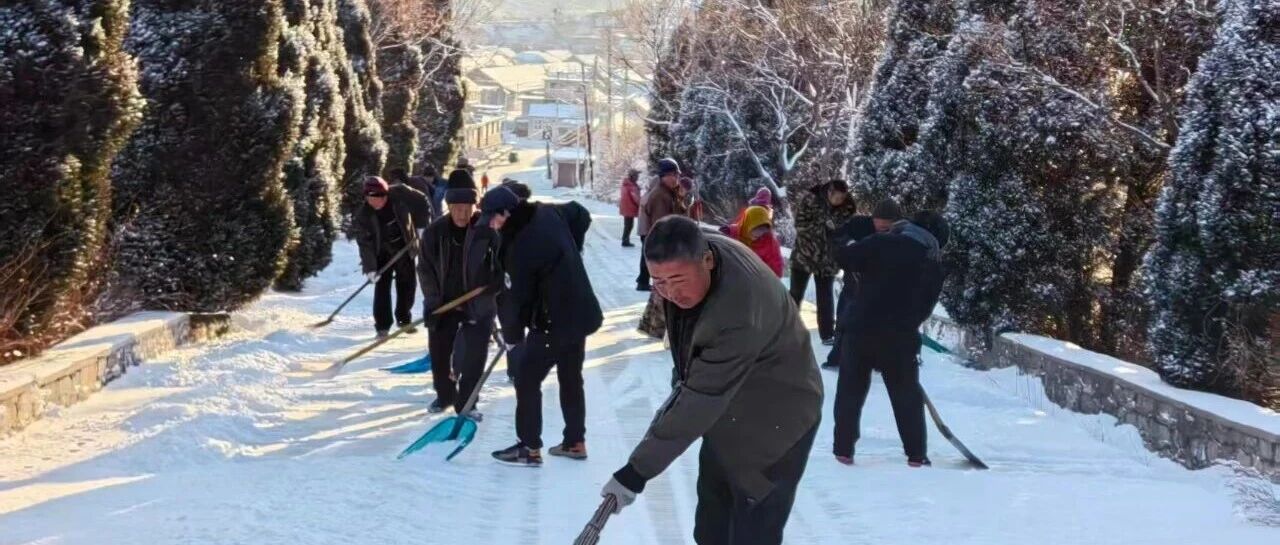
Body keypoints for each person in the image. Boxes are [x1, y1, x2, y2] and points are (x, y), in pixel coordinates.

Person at [602, 216, 823, 545]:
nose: (670, 292)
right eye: (658, 282)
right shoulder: (703, 248)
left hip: (779, 419)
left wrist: (636, 472)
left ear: (706, 260)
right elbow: (698, 388)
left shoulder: (737, 312)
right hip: (729, 410)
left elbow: (699, 398)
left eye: (677, 279)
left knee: (752, 532)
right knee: (711, 527)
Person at [480, 187, 604, 466]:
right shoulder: (547, 211)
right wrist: (573, 248)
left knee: (526, 378)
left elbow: (516, 300)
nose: (491, 224)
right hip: (580, 312)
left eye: (493, 218)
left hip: (553, 322)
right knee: (571, 377)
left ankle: (529, 447)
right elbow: (580, 214)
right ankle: (575, 442)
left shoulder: (519, 247)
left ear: (506, 213)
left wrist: (512, 338)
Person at [830, 199, 947, 468]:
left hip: (860, 329)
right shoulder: (933, 263)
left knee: (850, 390)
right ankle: (916, 455)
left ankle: (843, 450)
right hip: (900, 337)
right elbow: (924, 308)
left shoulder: (882, 242)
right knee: (906, 394)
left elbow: (844, 257)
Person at [418, 169, 502, 415]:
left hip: (478, 303)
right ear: (449, 205)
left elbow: (504, 263)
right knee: (440, 355)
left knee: (474, 358)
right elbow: (424, 269)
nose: (462, 214)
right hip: (443, 303)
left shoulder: (487, 232)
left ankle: (467, 402)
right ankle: (444, 396)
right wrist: (433, 301)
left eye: (467, 207)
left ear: (474, 206)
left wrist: (496, 279)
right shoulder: (435, 232)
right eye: (457, 207)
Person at [353, 176, 432, 337]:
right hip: (381, 252)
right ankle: (382, 326)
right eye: (371, 199)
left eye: (380, 198)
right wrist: (370, 268)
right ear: (366, 197)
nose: (376, 202)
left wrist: (421, 226)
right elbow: (365, 243)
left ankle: (404, 319)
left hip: (405, 245)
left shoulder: (401, 193)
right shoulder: (363, 215)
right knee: (382, 287)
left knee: (407, 284)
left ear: (386, 193)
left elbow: (422, 201)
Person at [790, 180, 858, 346]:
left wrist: (837, 232)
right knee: (795, 294)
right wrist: (822, 228)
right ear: (829, 192)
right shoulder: (810, 199)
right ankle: (785, 327)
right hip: (804, 255)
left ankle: (827, 333)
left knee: (825, 297)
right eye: (837, 197)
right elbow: (799, 224)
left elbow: (846, 231)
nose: (839, 201)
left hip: (828, 259)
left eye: (842, 197)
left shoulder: (848, 208)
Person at [636, 158, 682, 291]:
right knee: (654, 258)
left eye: (677, 175)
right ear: (663, 176)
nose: (676, 178)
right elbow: (661, 222)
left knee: (649, 257)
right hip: (653, 232)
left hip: (650, 231)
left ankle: (645, 281)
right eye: (673, 175)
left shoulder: (666, 191)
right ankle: (652, 283)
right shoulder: (660, 195)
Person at [725, 205, 783, 277]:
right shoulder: (728, 234)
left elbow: (776, 269)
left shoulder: (769, 242)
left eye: (763, 229)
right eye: (756, 228)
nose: (759, 233)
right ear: (747, 223)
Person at [619, 168, 642, 247]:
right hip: (630, 208)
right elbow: (636, 198)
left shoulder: (626, 184)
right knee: (629, 225)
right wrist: (642, 205)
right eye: (637, 175)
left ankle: (625, 240)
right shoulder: (631, 186)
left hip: (626, 208)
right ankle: (625, 241)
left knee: (628, 225)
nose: (638, 177)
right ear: (633, 176)